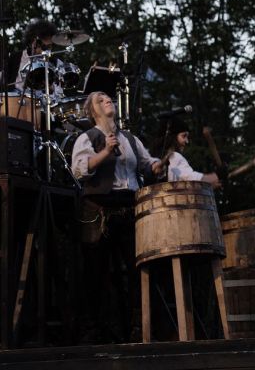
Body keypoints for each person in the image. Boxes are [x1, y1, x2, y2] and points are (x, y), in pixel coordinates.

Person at [71, 91, 163, 342]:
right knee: (95, 273)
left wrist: (156, 165)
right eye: (99, 100)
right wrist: (105, 152)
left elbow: (146, 163)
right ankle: (94, 332)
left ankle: (137, 328)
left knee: (133, 271)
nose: (107, 100)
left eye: (108, 98)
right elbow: (80, 169)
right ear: (92, 112)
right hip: (99, 209)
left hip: (129, 207)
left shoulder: (131, 139)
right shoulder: (87, 138)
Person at [154, 115, 222, 186]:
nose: (187, 141)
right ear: (172, 137)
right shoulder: (174, 156)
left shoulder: (156, 161)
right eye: (184, 136)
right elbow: (192, 179)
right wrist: (217, 175)